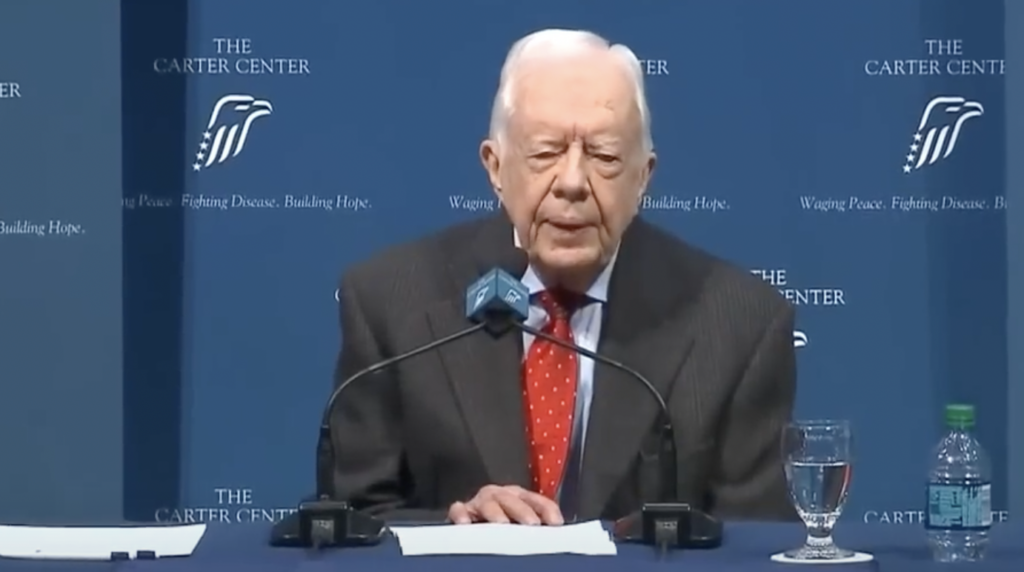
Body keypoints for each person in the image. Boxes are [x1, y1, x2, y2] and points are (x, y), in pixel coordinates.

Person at [332, 28, 797, 525]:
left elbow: (754, 544)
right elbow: (354, 522)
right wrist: (458, 529)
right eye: (545, 152)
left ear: (644, 176)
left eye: (604, 156)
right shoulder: (391, 302)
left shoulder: (738, 324)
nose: (572, 183)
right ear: (495, 167)